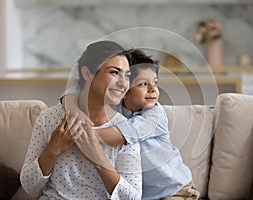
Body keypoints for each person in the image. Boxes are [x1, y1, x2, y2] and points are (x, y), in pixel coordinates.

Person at [62, 49, 200, 199]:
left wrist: (76, 133)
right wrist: (73, 109)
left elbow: (119, 134)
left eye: (155, 82)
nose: (153, 89)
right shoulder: (116, 105)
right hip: (145, 195)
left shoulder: (155, 115)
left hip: (175, 190)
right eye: (143, 84)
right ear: (124, 90)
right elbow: (75, 90)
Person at [20, 41, 142, 200]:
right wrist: (53, 150)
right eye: (114, 72)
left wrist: (98, 158)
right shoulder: (49, 119)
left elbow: (133, 197)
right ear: (87, 74)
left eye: (127, 75)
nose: (123, 83)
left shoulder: (124, 131)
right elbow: (28, 185)